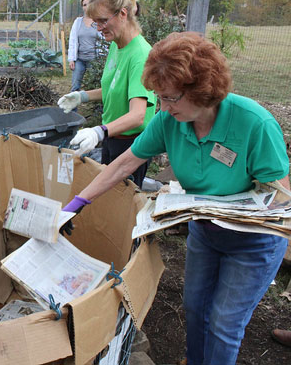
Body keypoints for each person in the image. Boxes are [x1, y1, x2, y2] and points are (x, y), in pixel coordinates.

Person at [62, 32, 290, 365]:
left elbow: (281, 194)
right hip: (205, 232)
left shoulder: (253, 123)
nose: (163, 107)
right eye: (159, 97)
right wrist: (77, 204)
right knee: (195, 307)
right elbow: (125, 162)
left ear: (202, 89)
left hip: (252, 243)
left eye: (170, 98)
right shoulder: (170, 121)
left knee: (225, 322)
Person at [57, 0, 156, 188]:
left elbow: (137, 114)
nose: (99, 28)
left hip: (132, 146)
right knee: (106, 198)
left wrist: (98, 132)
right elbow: (116, 90)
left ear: (122, 13)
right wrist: (82, 96)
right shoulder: (116, 45)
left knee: (121, 205)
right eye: (95, 22)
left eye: (103, 20)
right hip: (113, 137)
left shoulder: (140, 55)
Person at [68, 0, 101, 92]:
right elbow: (73, 41)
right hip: (80, 60)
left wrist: (102, 59)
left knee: (95, 86)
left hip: (94, 60)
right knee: (75, 86)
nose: (87, 7)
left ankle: (97, 107)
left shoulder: (98, 21)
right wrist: (71, 59)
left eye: (89, 4)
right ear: (82, 7)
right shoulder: (78, 22)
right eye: (84, 5)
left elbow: (103, 41)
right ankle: (72, 107)